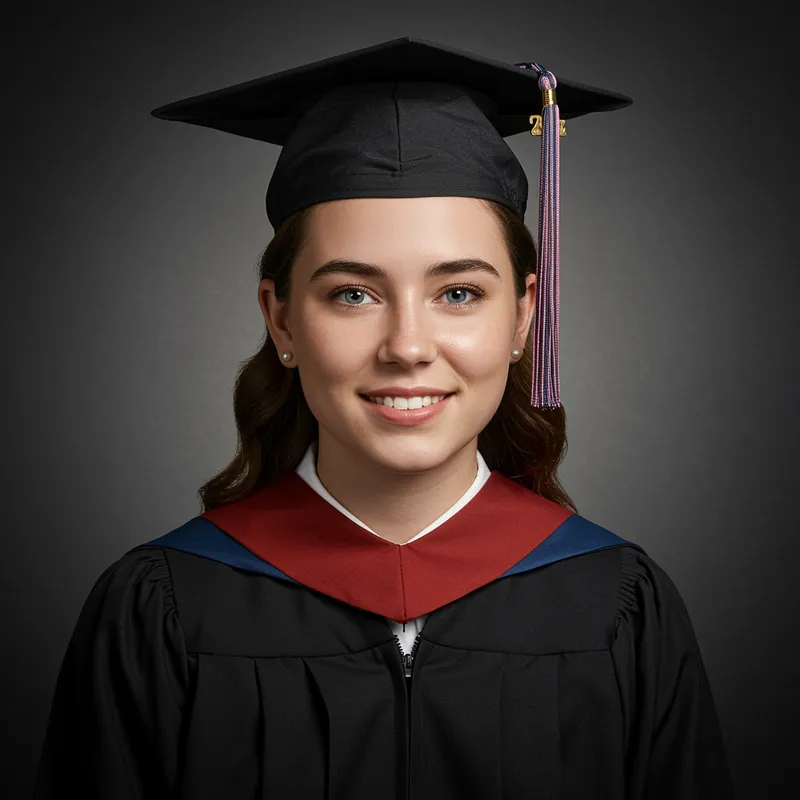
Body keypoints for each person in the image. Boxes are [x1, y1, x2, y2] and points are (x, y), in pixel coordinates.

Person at [32, 37, 735, 799]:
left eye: (459, 293)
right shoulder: (164, 606)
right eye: (352, 294)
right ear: (281, 319)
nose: (407, 347)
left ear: (522, 315)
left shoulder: (617, 602)